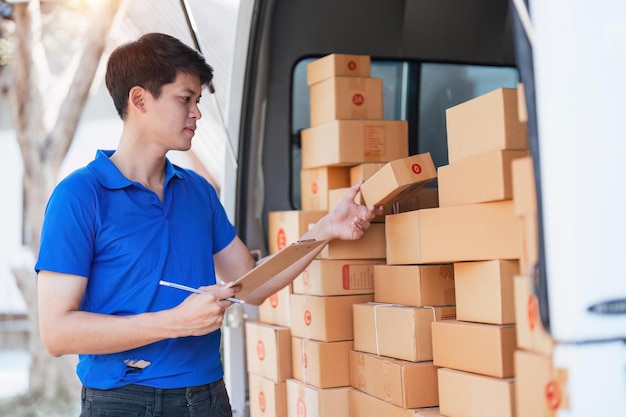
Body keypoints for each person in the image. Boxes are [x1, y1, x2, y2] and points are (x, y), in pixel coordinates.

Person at [35, 32, 376, 417]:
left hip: (207, 399)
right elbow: (57, 333)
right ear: (139, 100)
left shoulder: (197, 191)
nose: (197, 113)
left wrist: (326, 228)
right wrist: (174, 323)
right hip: (122, 402)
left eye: (198, 101)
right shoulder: (79, 196)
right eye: (185, 99)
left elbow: (253, 285)